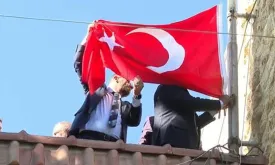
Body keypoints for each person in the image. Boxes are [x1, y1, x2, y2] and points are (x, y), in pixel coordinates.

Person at [152, 84, 233, 149]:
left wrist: (216, 109)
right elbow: (192, 103)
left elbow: (196, 123)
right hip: (173, 145)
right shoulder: (169, 86)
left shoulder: (175, 92)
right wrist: (219, 104)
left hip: (180, 147)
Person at [68, 74, 144, 143]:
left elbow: (134, 120)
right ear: (116, 78)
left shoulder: (125, 106)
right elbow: (81, 65)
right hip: (89, 140)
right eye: (127, 80)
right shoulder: (97, 89)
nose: (131, 85)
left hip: (114, 147)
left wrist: (137, 95)